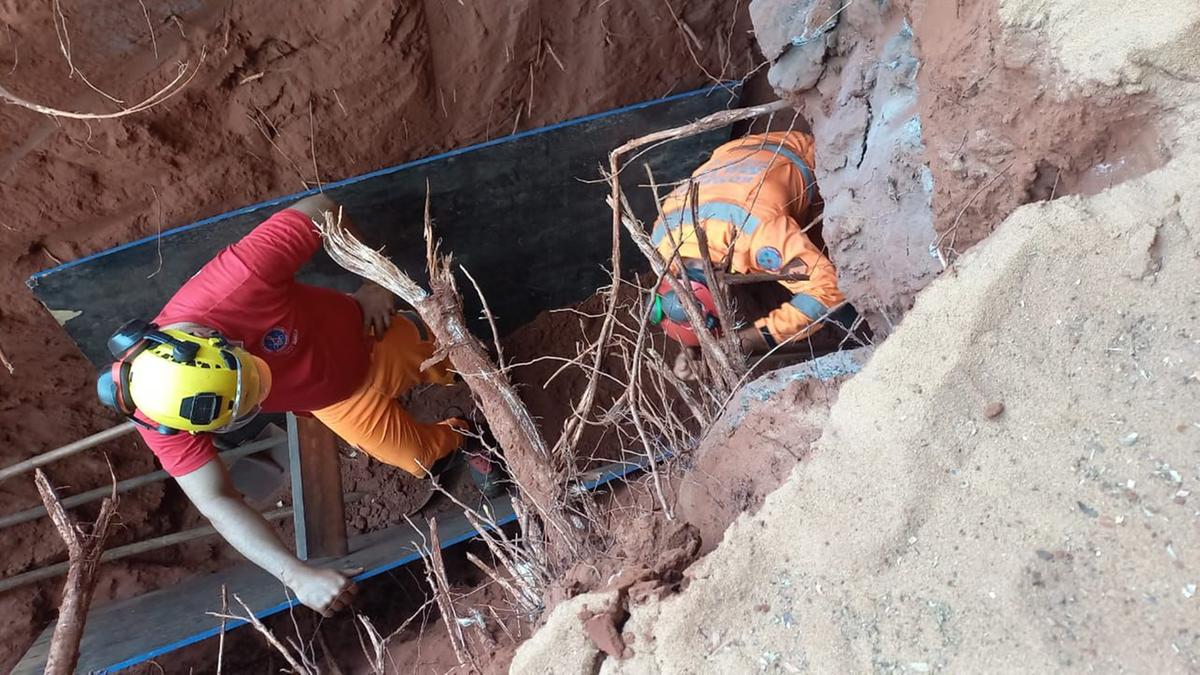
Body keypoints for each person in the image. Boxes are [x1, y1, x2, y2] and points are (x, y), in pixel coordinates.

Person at [95, 193, 495, 616]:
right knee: (418, 460)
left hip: (369, 335)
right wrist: (294, 574)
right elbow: (216, 501)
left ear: (215, 342)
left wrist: (374, 283)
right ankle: (464, 433)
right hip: (336, 400)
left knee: (473, 362)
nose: (261, 390)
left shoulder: (234, 283)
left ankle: (461, 371)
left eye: (249, 378)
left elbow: (320, 207)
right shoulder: (162, 414)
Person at [648, 130, 862, 378]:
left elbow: (829, 288)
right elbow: (681, 301)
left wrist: (756, 338)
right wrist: (692, 347)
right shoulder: (660, 241)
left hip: (798, 151)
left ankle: (862, 331)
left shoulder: (757, 235)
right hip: (735, 152)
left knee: (831, 296)